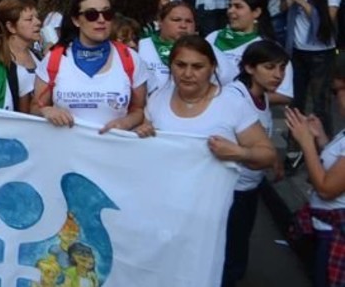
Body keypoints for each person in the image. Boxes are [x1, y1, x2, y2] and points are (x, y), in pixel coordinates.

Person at [135, 37, 276, 282]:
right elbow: (146, 144)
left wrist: (239, 153)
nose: (188, 73)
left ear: (213, 68)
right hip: (165, 212)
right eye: (180, 65)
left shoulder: (231, 104)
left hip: (211, 216)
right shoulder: (158, 99)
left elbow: (267, 154)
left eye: (197, 67)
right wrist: (143, 134)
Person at [32, 0, 147, 132]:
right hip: (65, 151)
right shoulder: (54, 59)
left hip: (113, 149)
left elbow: (138, 109)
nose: (101, 20)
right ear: (76, 20)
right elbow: (35, 108)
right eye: (91, 15)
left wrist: (126, 122)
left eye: (107, 13)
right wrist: (47, 111)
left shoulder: (130, 58)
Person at [223, 41, 289, 287]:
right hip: (232, 190)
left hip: (250, 188)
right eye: (270, 67)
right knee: (228, 253)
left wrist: (273, 161)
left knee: (238, 247)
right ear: (250, 68)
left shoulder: (261, 97)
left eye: (282, 68)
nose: (278, 75)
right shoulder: (234, 98)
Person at [286, 61, 345, 287]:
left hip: (335, 235)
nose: (335, 98)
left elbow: (326, 188)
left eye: (337, 91)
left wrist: (306, 143)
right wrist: (321, 138)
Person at [282, 0, 341, 131]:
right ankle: (294, 147)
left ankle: (324, 147)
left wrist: (301, 1)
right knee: (295, 100)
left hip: (321, 54)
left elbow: (327, 22)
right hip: (297, 51)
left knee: (319, 104)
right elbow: (285, 9)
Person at [206, 0, 294, 104]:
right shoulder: (213, 37)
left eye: (238, 7)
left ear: (256, 12)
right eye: (230, 6)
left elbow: (284, 95)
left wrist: (239, 98)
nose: (230, 11)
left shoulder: (269, 47)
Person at [137, 1, 197, 94]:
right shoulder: (141, 46)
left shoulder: (203, 50)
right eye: (176, 20)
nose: (183, 26)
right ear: (160, 22)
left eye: (188, 21)